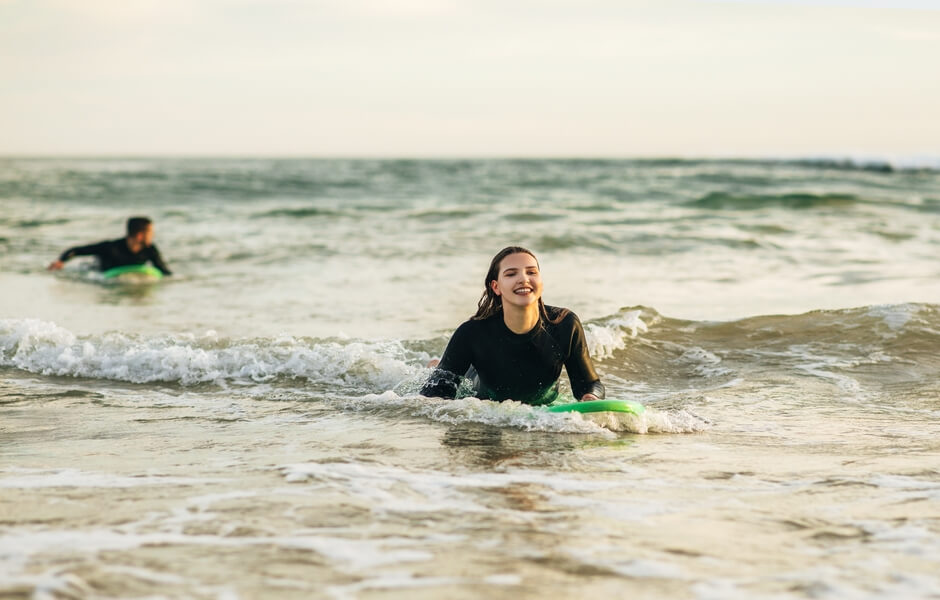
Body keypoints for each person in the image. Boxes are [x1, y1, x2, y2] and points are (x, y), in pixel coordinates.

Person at [421, 246, 604, 405]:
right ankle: (435, 365)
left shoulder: (565, 324)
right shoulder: (472, 333)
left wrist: (590, 397)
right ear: (496, 287)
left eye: (531, 272)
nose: (524, 279)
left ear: (540, 281)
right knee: (444, 373)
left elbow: (589, 384)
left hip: (542, 402)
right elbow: (436, 392)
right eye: (511, 274)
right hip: (479, 394)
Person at [47, 216, 172, 275]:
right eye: (150, 233)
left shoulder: (150, 249)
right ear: (140, 235)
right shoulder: (111, 248)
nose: (153, 235)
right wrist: (61, 261)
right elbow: (76, 250)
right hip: (101, 274)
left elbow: (163, 270)